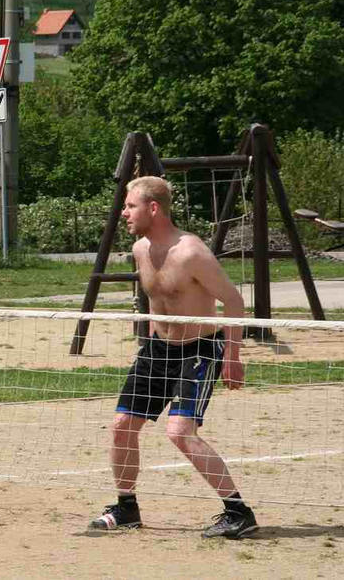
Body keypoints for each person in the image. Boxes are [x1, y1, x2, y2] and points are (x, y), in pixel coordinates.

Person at [88, 176, 258, 539]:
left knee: (180, 432)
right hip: (158, 350)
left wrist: (232, 356)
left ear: (153, 208)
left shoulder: (191, 252)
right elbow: (158, 301)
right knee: (122, 425)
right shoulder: (140, 249)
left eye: (130, 206)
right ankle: (126, 507)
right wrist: (150, 343)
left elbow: (233, 301)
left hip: (199, 349)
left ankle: (238, 512)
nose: (124, 213)